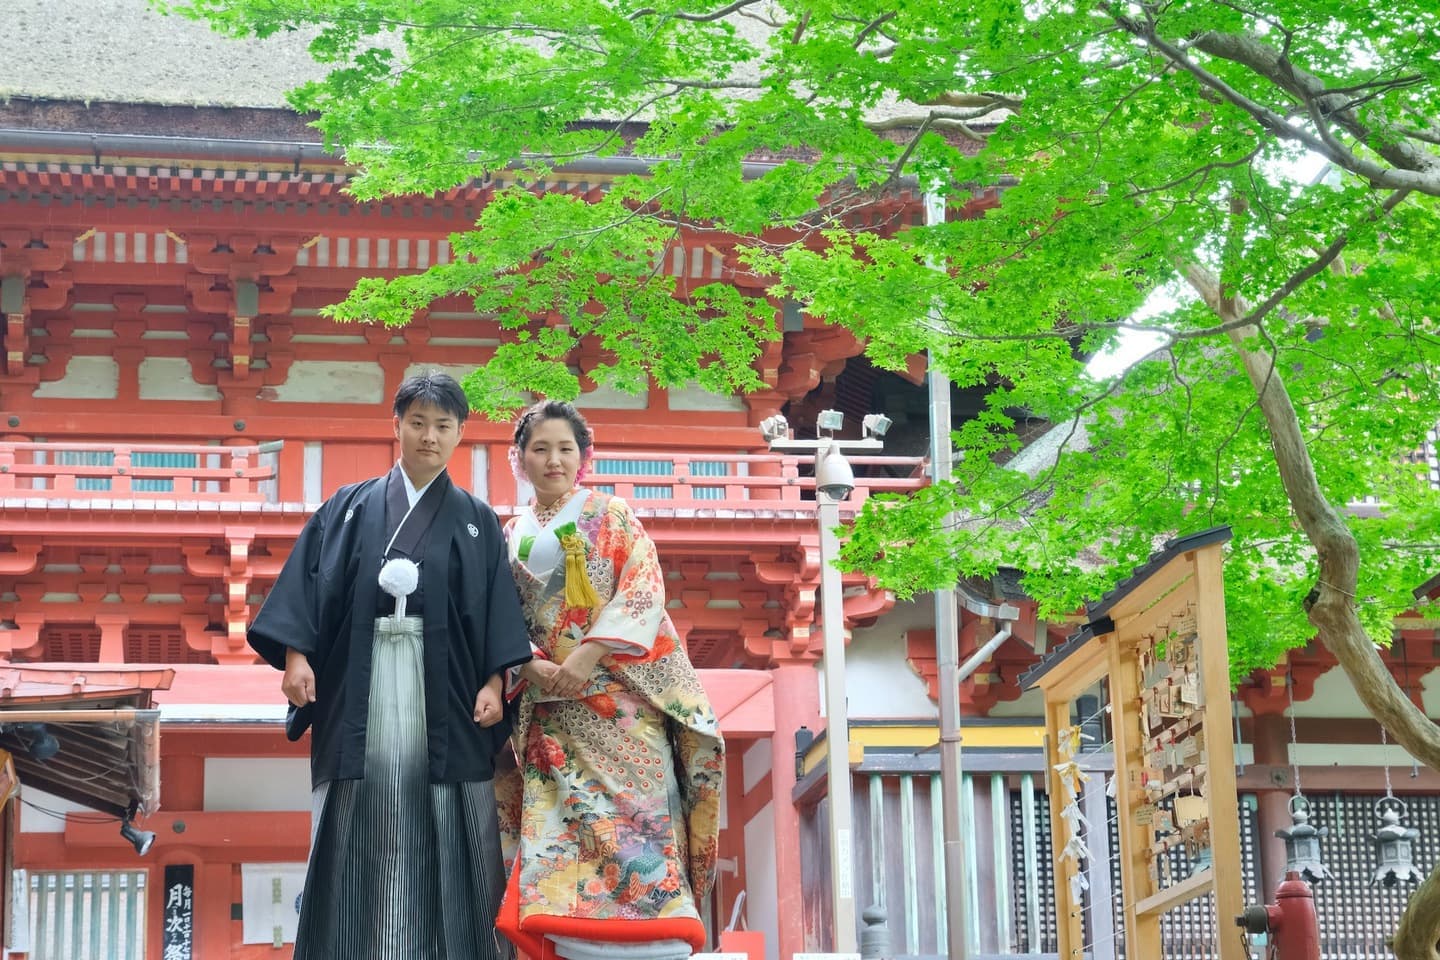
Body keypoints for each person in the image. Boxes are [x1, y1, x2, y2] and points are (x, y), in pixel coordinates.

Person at [248, 372, 532, 960]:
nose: (430, 436)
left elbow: (499, 612)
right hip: (361, 686)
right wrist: (296, 658)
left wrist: (493, 680)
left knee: (453, 821)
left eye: (444, 426)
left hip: (449, 696)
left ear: (460, 435)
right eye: (419, 423)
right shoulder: (346, 508)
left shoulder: (478, 520)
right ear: (397, 425)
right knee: (361, 816)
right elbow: (307, 588)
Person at [496, 400, 725, 960]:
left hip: (621, 703)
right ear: (519, 458)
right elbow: (493, 614)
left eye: (565, 448)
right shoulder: (506, 533)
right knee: (561, 827)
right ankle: (569, 936)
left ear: (584, 456)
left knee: (637, 813)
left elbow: (642, 592)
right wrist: (529, 661)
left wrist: (588, 655)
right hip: (549, 707)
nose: (553, 460)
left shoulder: (613, 515)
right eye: (540, 448)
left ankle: (655, 936)